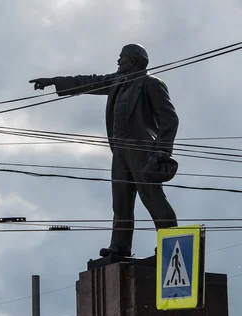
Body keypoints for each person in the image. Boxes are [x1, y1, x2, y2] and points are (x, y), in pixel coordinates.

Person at [29, 44, 179, 257]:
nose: (118, 62)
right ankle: (120, 246)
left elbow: (169, 119)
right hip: (119, 150)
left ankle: (171, 246)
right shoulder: (117, 81)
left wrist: (163, 150)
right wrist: (55, 81)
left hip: (142, 150)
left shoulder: (151, 84)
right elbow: (87, 81)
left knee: (152, 197)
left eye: (121, 58)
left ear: (133, 61)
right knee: (120, 201)